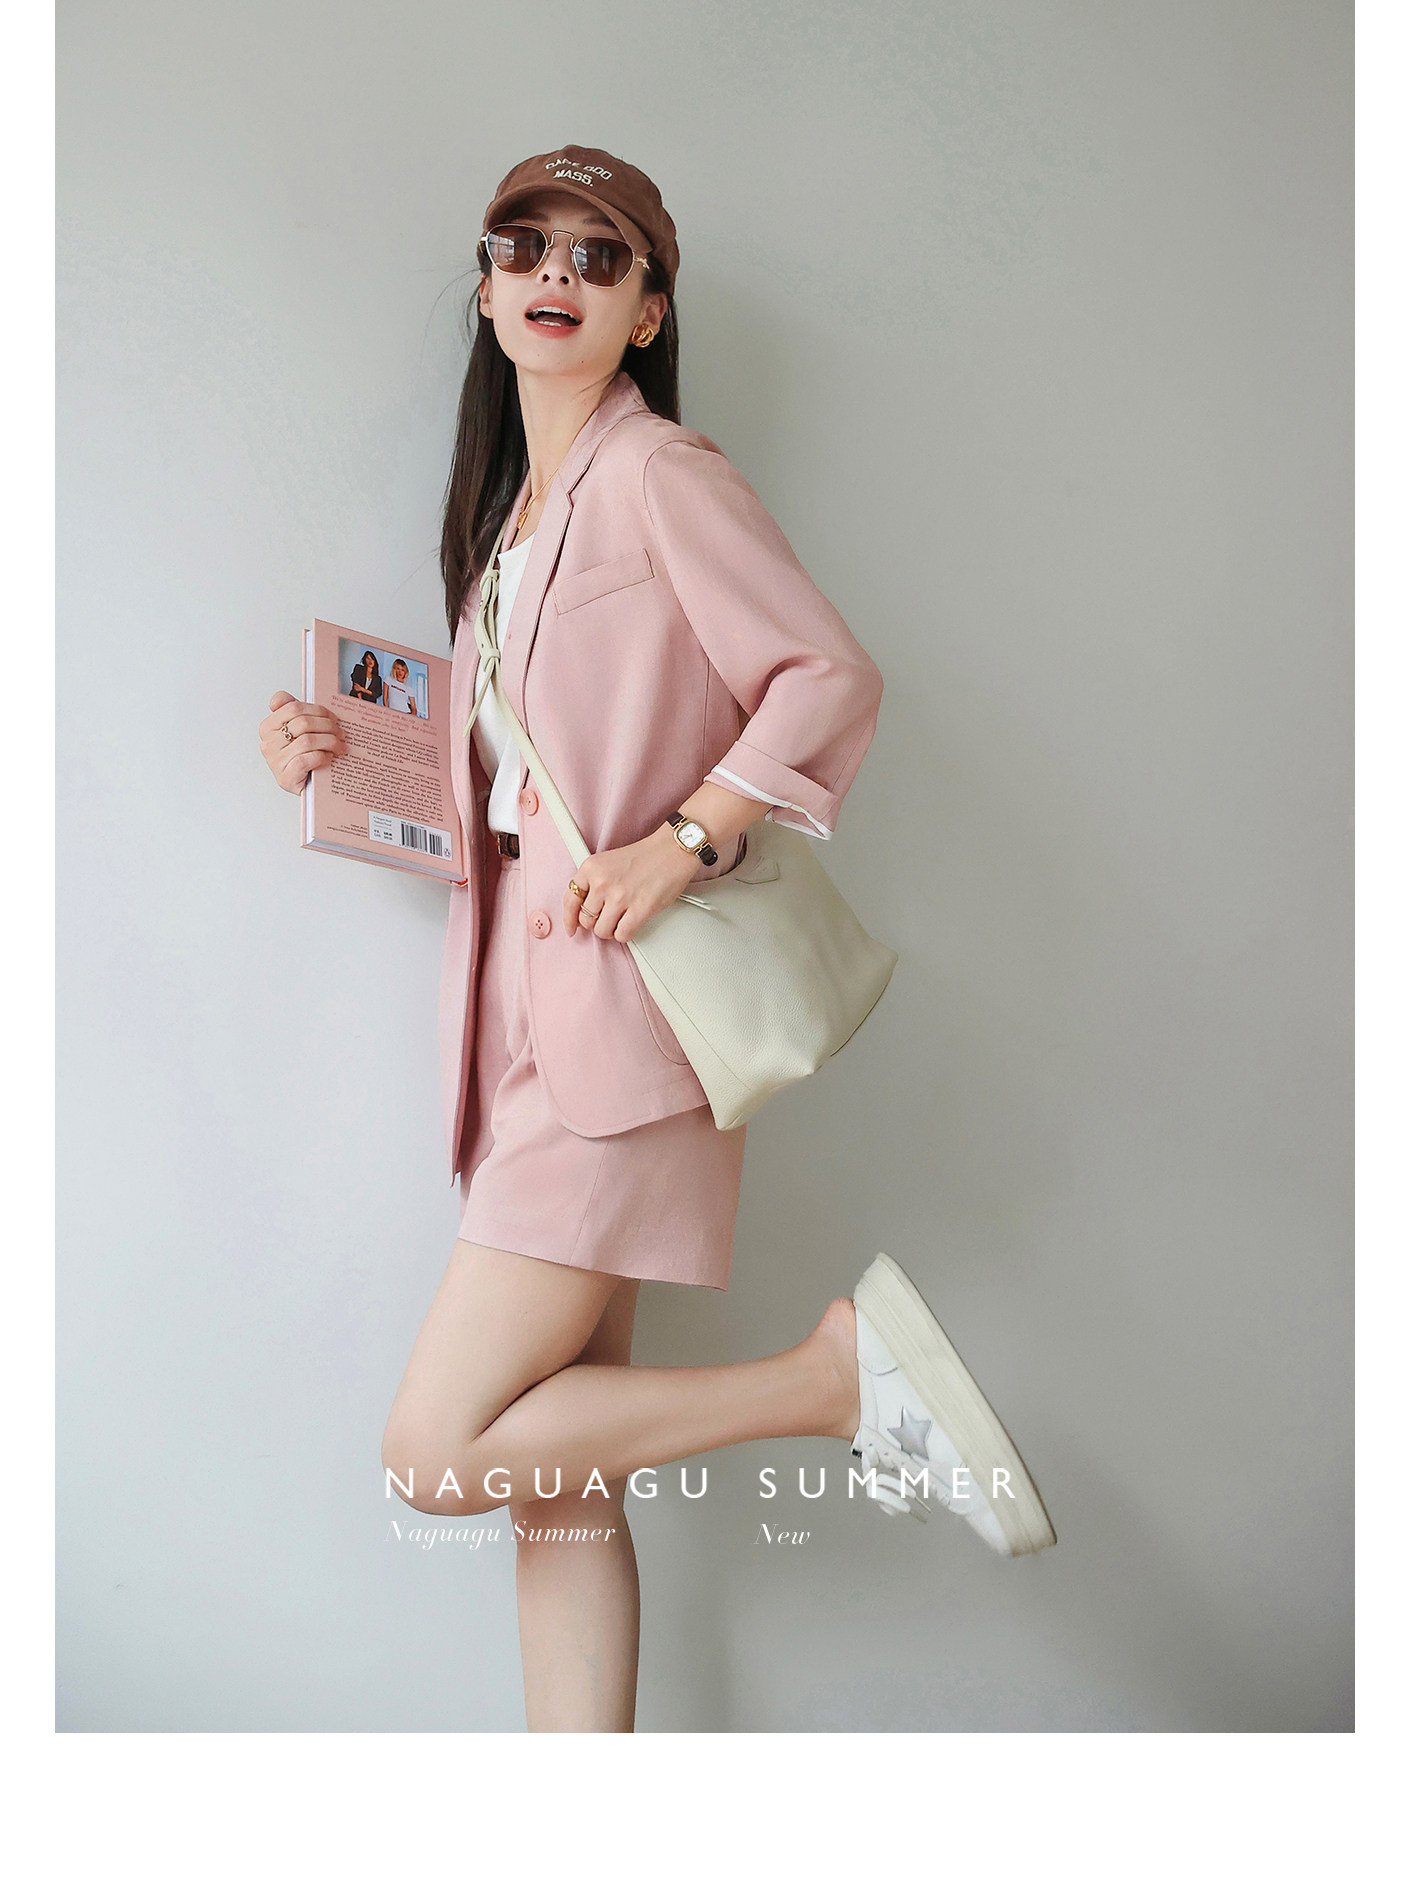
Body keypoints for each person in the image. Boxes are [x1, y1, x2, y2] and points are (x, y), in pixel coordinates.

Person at [259, 144, 1055, 1734]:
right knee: (557, 1484)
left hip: (614, 1033)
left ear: (646, 310)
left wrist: (683, 842)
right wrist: (340, 757)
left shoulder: (657, 476)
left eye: (600, 255)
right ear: (486, 291)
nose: (555, 273)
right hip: (522, 1022)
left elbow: (824, 676)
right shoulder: (513, 529)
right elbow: (525, 800)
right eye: (524, 246)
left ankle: (829, 1381)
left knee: (435, 1451)